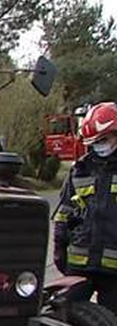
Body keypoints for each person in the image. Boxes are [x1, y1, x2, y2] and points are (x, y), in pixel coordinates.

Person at [53, 101, 117, 312]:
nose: (99, 146)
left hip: (113, 269)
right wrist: (59, 247)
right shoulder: (80, 170)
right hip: (80, 264)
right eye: (94, 142)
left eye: (104, 140)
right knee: (63, 315)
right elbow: (64, 213)